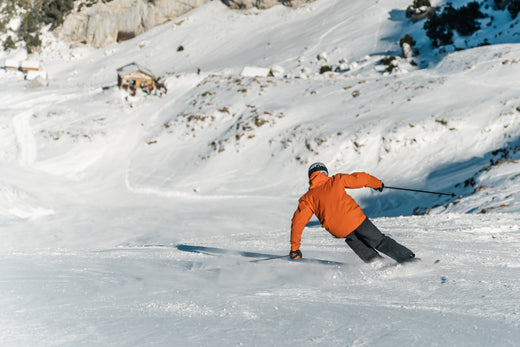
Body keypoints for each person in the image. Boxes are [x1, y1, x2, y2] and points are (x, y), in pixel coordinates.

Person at [290, 162, 416, 264]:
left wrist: (295, 249)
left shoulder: (307, 198)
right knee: (379, 241)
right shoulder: (336, 180)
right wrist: (377, 184)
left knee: (355, 242)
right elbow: (360, 179)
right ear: (325, 173)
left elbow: (297, 223)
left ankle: (378, 264)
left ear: (310, 176)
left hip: (340, 230)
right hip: (356, 220)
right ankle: (408, 260)